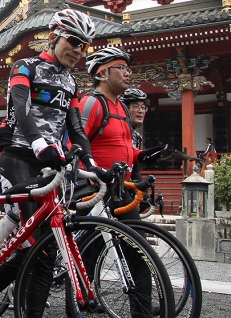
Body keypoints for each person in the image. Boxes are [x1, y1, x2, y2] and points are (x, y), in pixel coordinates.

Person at [0, 8, 107, 318]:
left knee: (44, 248)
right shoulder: (25, 66)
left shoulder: (71, 82)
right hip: (18, 157)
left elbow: (75, 126)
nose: (79, 50)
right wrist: (38, 142)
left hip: (49, 165)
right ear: (54, 36)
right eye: (74, 41)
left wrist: (90, 162)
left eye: (84, 45)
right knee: (37, 244)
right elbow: (21, 106)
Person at [80, 47, 171, 316]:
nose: (128, 73)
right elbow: (76, 141)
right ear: (102, 72)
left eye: (128, 69)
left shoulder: (120, 106)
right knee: (88, 251)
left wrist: (143, 155)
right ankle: (80, 303)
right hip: (95, 189)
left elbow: (122, 147)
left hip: (121, 190)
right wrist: (92, 170)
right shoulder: (92, 103)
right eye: (122, 68)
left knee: (138, 250)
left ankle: (140, 311)